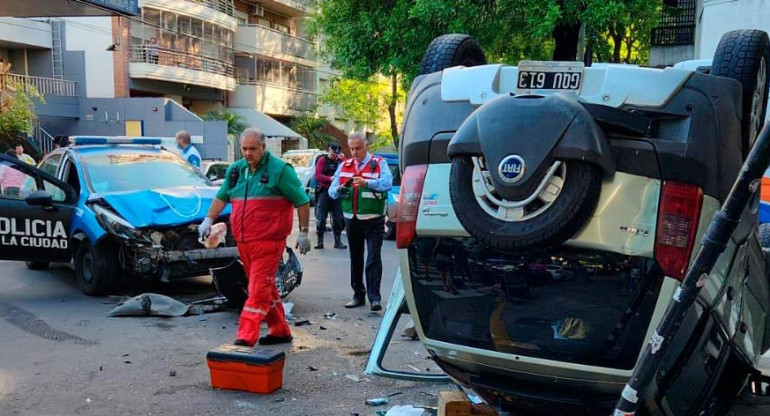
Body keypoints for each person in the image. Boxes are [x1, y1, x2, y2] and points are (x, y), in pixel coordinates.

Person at [199, 128, 311, 347]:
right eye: (244, 149)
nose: (248, 153)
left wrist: (305, 233)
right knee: (265, 286)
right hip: (244, 242)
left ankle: (246, 334)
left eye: (252, 149)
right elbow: (222, 197)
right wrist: (208, 220)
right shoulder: (235, 171)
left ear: (263, 148)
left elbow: (302, 200)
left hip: (269, 242)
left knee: (257, 288)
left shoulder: (280, 171)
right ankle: (279, 330)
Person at [329, 132, 393, 311]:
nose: (355, 152)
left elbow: (387, 183)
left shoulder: (379, 163)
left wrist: (367, 183)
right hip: (352, 219)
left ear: (366, 146)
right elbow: (332, 191)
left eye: (358, 148)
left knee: (373, 257)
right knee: (355, 258)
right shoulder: (344, 165)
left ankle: (375, 298)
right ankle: (358, 295)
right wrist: (339, 190)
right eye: (351, 149)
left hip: (374, 219)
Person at [313, 142, 347, 250]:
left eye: (337, 153)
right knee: (321, 217)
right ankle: (320, 241)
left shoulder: (340, 161)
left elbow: (348, 170)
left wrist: (343, 158)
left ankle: (337, 241)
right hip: (325, 190)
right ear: (329, 149)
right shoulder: (322, 160)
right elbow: (318, 175)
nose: (334, 155)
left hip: (336, 191)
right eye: (333, 153)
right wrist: (329, 179)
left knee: (338, 218)